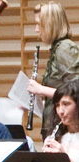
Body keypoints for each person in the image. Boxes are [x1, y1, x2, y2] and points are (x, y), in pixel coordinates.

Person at [27, 1, 79, 140]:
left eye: (39, 24)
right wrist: (41, 104)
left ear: (51, 24)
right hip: (55, 126)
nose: (36, 29)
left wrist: (40, 89)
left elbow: (75, 93)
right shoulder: (57, 48)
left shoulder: (65, 49)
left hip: (63, 130)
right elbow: (59, 92)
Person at [42, 80, 79, 162]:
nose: (60, 111)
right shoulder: (58, 136)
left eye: (66, 104)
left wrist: (63, 159)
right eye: (57, 105)